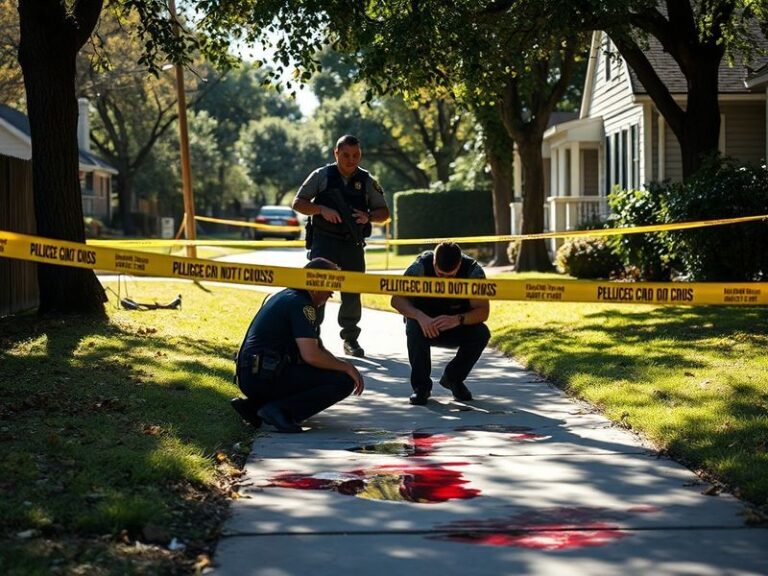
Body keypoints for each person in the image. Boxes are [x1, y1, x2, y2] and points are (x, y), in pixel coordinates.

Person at [230, 258, 365, 433]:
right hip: (262, 376)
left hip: (255, 374)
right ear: (317, 285)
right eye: (329, 292)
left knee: (334, 371)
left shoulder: (289, 295)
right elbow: (311, 355)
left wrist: (342, 365)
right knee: (343, 381)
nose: (329, 296)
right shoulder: (301, 304)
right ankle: (280, 411)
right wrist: (347, 368)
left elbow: (319, 349)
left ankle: (255, 407)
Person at [292, 134, 390, 358]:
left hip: (352, 244)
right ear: (336, 153)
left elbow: (384, 213)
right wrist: (321, 210)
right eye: (346, 155)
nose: (351, 160)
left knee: (352, 292)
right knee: (317, 290)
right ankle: (312, 336)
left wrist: (368, 217)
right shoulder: (321, 175)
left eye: (356, 155)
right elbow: (298, 202)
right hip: (324, 241)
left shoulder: (367, 180)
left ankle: (350, 339)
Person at [391, 242, 491, 405]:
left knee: (481, 333)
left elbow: (483, 311)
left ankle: (453, 378)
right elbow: (397, 300)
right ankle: (421, 388)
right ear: (434, 263)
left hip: (457, 325)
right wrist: (419, 316)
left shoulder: (473, 272)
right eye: (440, 274)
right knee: (412, 325)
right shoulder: (419, 267)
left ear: (459, 264)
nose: (445, 281)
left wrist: (458, 319)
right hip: (424, 324)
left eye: (450, 276)